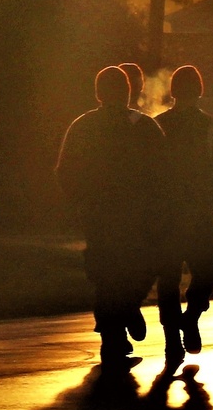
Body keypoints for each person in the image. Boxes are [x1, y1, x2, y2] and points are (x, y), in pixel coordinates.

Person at [56, 66, 168, 371]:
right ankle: (121, 325)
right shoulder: (141, 126)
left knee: (109, 276)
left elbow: (65, 171)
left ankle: (117, 328)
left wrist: (80, 202)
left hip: (106, 216)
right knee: (134, 270)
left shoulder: (85, 126)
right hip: (131, 216)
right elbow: (163, 173)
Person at [155, 66, 213, 368]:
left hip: (166, 215)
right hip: (198, 214)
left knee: (168, 278)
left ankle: (173, 339)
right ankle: (192, 315)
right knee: (208, 269)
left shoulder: (157, 125)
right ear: (199, 91)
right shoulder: (211, 127)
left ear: (173, 91)